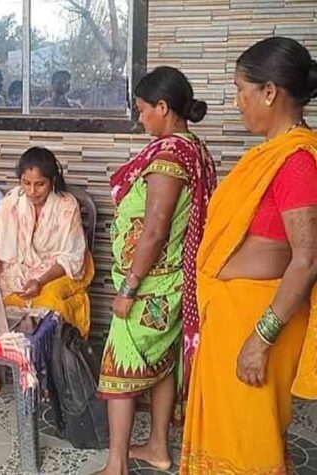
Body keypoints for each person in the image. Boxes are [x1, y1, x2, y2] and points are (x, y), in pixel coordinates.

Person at [181, 37, 317, 474]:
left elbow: (307, 259)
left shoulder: (296, 162)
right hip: (233, 318)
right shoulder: (271, 155)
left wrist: (261, 339)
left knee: (249, 446)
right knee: (235, 438)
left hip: (258, 324)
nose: (237, 102)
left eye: (241, 90)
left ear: (270, 91)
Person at [94, 66, 216, 474]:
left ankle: (116, 465)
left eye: (142, 108)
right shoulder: (194, 149)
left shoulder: (168, 159)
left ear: (163, 107)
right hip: (175, 282)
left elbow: (155, 229)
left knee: (118, 369)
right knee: (163, 363)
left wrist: (128, 288)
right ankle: (158, 448)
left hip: (149, 288)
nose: (140, 117)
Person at [0, 146, 95, 394]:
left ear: (52, 181)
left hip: (57, 271)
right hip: (16, 269)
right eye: (26, 183)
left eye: (40, 184)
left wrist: (40, 281)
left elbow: (72, 257)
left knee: (48, 304)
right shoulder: (11, 202)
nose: (32, 191)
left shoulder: (67, 206)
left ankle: (41, 370)